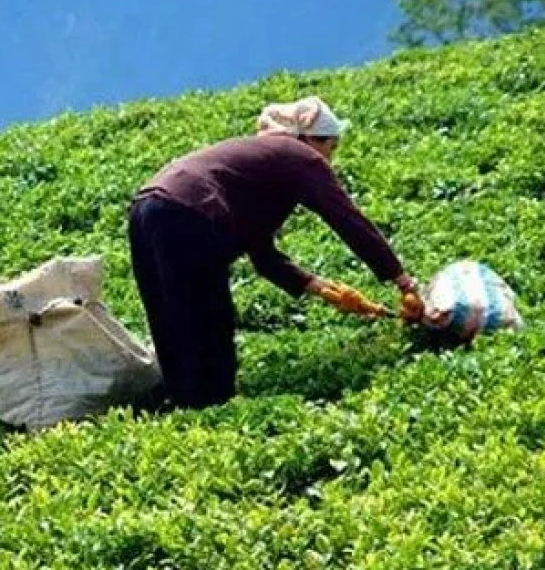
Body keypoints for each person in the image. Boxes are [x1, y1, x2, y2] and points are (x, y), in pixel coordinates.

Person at [127, 96, 425, 411]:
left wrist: (323, 289)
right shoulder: (301, 157)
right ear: (310, 140)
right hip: (188, 213)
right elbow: (348, 221)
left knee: (169, 314)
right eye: (331, 147)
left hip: (144, 209)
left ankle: (183, 401)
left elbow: (263, 255)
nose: (330, 159)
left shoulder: (265, 161)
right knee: (209, 316)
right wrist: (401, 279)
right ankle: (212, 406)